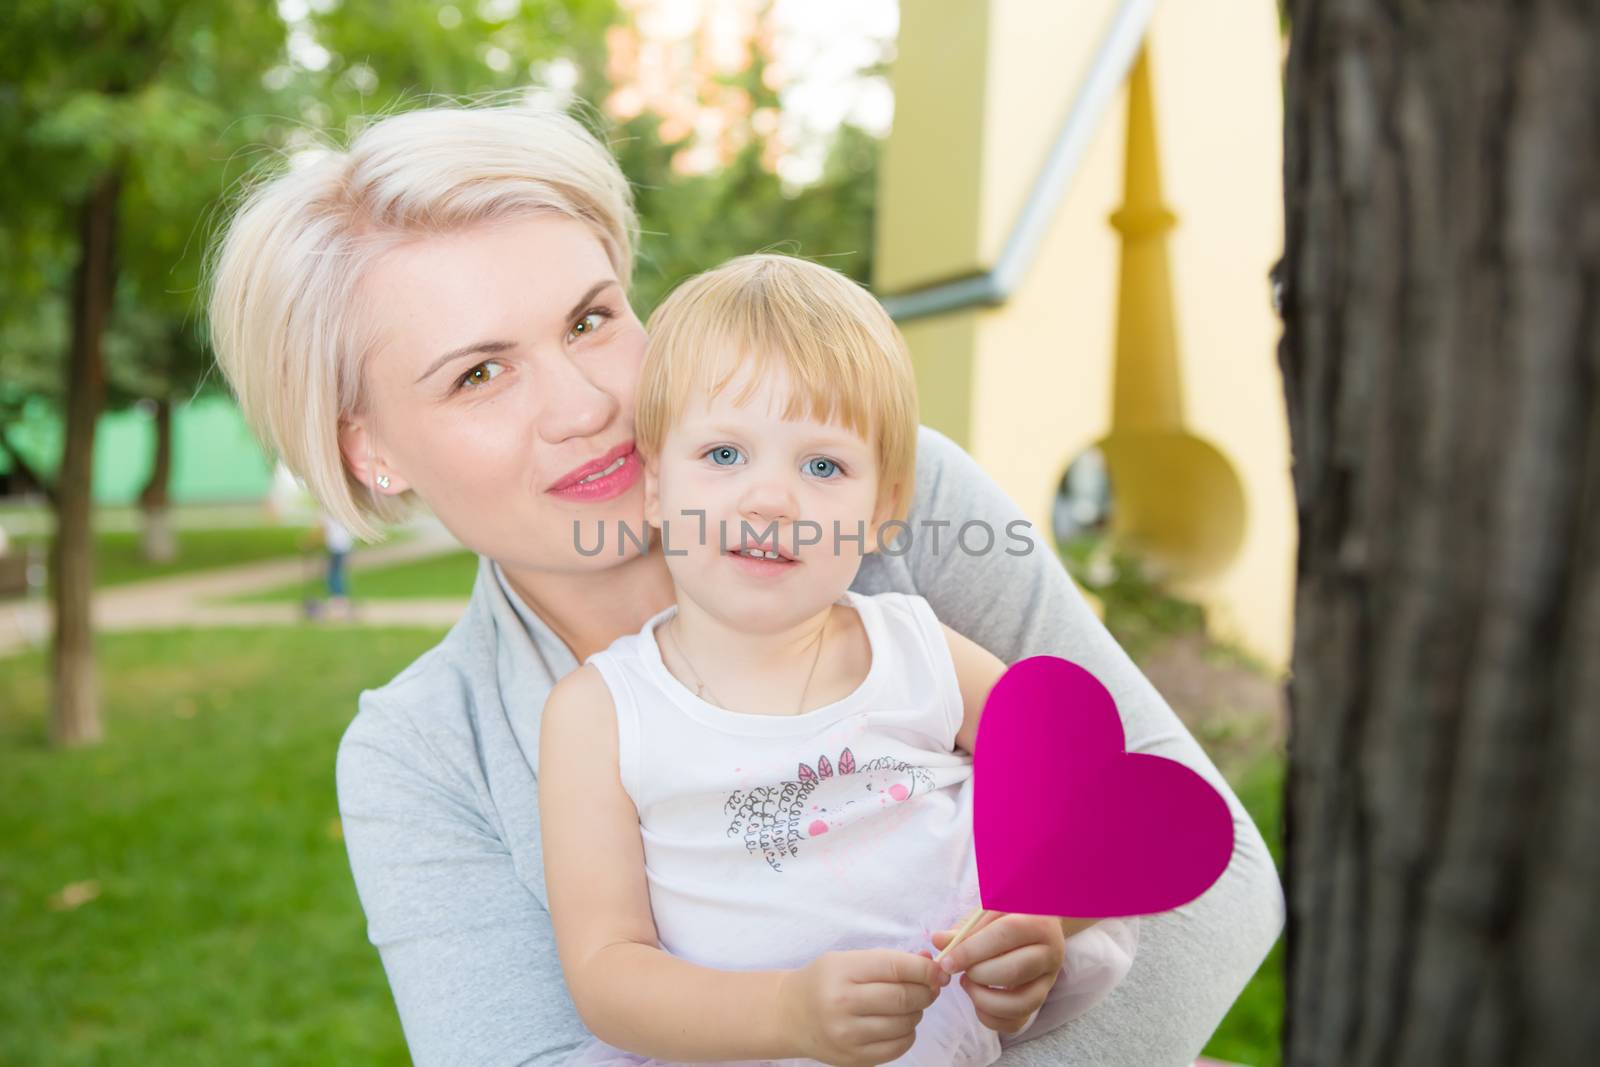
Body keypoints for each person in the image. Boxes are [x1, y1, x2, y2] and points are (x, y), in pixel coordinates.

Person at [205, 98, 1284, 1066]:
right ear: (370, 451)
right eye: (479, 372)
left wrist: (1051, 929)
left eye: (590, 319)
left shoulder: (882, 498)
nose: (584, 400)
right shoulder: (425, 752)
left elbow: (1208, 873)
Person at [542, 254, 1139, 1067]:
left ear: (881, 509)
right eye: (723, 454)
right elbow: (607, 972)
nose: (771, 499)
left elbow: (1085, 797)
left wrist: (1039, 920)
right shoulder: (601, 712)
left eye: (823, 466)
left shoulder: (919, 651)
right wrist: (787, 1012)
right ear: (653, 486)